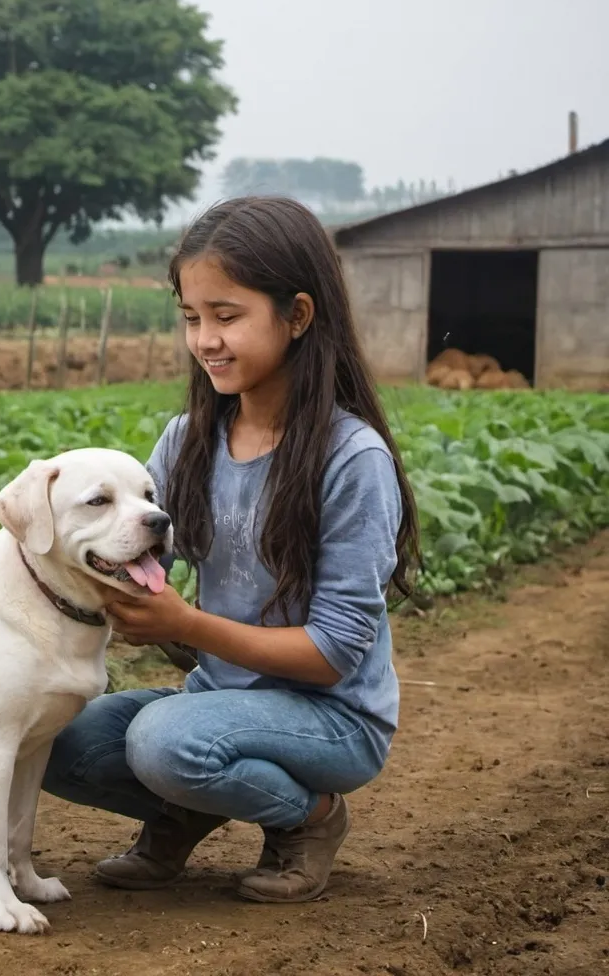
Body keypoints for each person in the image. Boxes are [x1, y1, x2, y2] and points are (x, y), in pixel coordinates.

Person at [41, 195, 420, 903]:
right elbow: (143, 564)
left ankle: (311, 817)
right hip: (218, 699)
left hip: (333, 719)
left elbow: (334, 652)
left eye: (227, 315)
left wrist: (185, 626)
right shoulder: (186, 441)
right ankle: (183, 811)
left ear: (298, 316)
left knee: (165, 742)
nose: (205, 339)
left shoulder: (351, 458)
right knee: (53, 738)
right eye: (191, 318)